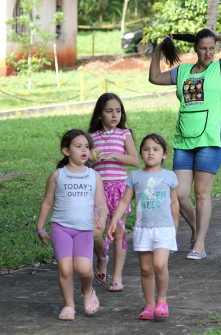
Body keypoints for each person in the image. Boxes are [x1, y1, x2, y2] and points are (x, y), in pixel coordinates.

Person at [148, 29, 221, 260]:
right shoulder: (182, 71)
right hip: (184, 140)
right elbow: (154, 77)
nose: (208, 52)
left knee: (201, 192)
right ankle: (195, 230)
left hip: (209, 140)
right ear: (195, 49)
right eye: (203, 47)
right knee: (179, 194)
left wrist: (211, 36)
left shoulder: (219, 69)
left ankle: (199, 244)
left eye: (212, 48)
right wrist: (159, 49)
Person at [36, 129, 108, 321]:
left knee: (84, 269)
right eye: (78, 146)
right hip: (61, 228)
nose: (84, 150)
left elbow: (101, 202)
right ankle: (69, 305)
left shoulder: (94, 176)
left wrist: (102, 215)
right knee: (66, 269)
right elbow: (47, 203)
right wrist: (40, 228)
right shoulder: (57, 175)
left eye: (87, 146)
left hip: (85, 230)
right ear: (66, 151)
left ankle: (87, 290)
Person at [107, 134, 179, 320]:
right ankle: (149, 304)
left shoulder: (169, 176)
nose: (150, 153)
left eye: (155, 150)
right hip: (142, 229)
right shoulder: (135, 176)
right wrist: (114, 220)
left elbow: (174, 203)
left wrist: (175, 226)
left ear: (164, 154)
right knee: (146, 269)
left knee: (160, 264)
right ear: (140, 153)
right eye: (146, 149)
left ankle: (162, 299)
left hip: (164, 228)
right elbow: (124, 201)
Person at [87, 92, 139, 292]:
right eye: (109, 111)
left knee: (118, 233)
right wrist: (91, 158)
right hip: (97, 191)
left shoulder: (124, 134)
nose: (114, 115)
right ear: (100, 114)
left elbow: (134, 159)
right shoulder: (91, 137)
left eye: (118, 111)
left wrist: (114, 155)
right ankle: (102, 258)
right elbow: (86, 162)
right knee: (95, 231)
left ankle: (117, 277)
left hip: (119, 189)